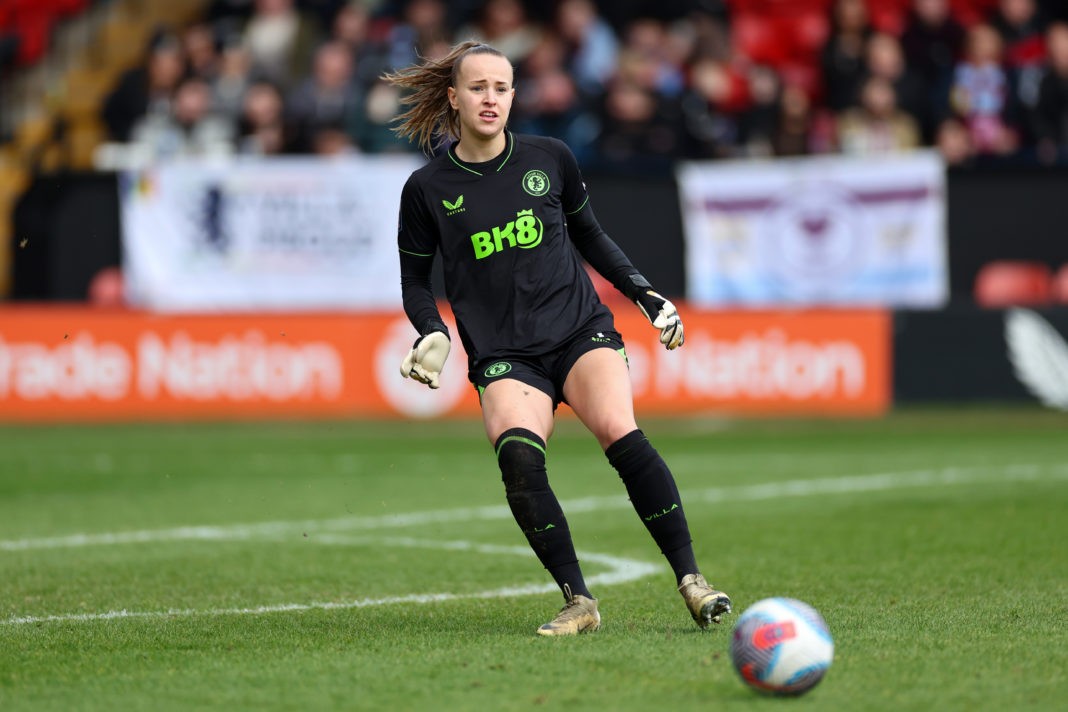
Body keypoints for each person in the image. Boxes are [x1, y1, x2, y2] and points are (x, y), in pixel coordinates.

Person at [384, 40, 731, 636]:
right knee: (518, 457)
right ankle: (579, 601)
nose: (489, 98)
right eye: (477, 88)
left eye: (500, 87)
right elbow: (415, 279)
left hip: (579, 330)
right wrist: (433, 331)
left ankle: (693, 582)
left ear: (514, 96)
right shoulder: (427, 189)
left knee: (621, 434)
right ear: (453, 97)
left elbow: (592, 237)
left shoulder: (551, 158)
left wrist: (645, 295)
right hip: (504, 353)